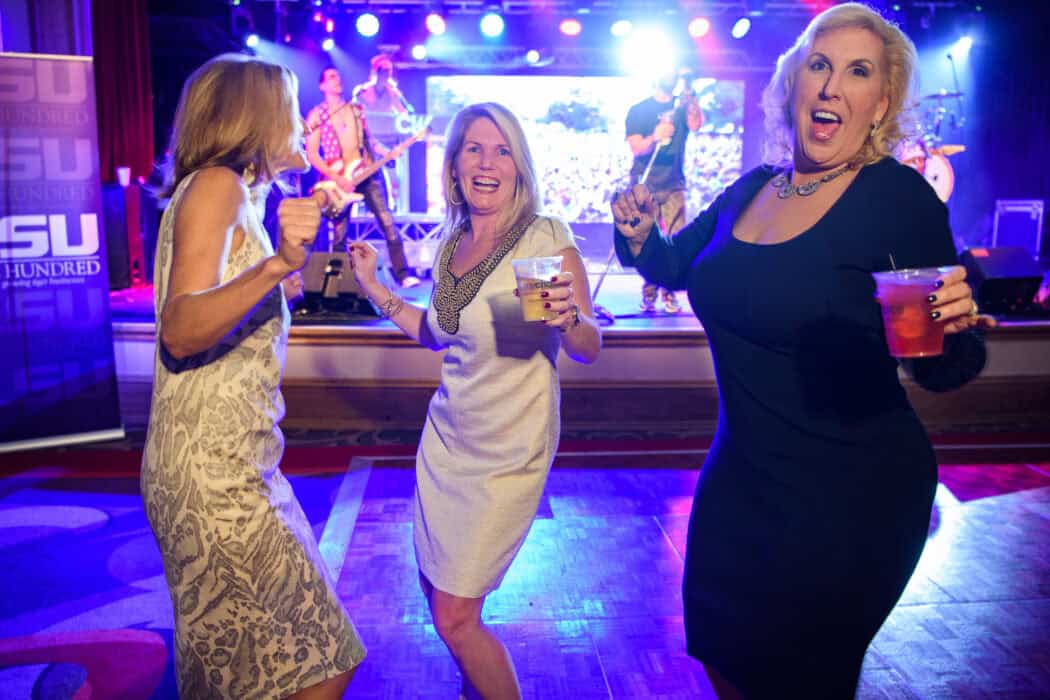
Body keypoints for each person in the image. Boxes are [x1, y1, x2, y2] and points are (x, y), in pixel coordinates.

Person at [611, 4, 996, 697]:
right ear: (792, 83)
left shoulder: (898, 198)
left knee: (803, 680)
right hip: (742, 482)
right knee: (725, 657)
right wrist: (638, 234)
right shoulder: (752, 188)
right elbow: (674, 267)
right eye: (819, 65)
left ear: (881, 102)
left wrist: (953, 327)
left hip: (853, 496)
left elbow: (943, 364)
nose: (831, 86)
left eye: (858, 72)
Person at [348, 102, 601, 699]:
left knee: (455, 619)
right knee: (440, 599)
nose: (487, 162)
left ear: (519, 166)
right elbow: (437, 334)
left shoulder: (543, 238)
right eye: (474, 149)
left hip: (507, 452)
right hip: (447, 444)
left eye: (502, 150)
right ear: (455, 165)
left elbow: (589, 345)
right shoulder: (452, 242)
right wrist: (377, 290)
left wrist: (569, 319)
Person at [141, 54, 365, 698]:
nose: (302, 125)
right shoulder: (218, 186)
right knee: (322, 660)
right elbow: (181, 328)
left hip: (233, 466)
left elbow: (222, 297)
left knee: (242, 677)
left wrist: (279, 263)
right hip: (216, 480)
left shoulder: (230, 191)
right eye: (291, 110)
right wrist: (274, 271)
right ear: (255, 116)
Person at [306, 66, 419, 287]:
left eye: (338, 76)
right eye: (331, 77)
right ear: (322, 86)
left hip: (366, 173)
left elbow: (369, 141)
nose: (337, 79)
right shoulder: (317, 115)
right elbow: (311, 154)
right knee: (340, 233)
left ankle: (403, 275)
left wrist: (387, 152)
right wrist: (336, 178)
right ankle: (336, 284)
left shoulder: (356, 109)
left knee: (387, 222)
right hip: (339, 179)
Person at [624, 68, 704, 314]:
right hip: (645, 184)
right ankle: (649, 294)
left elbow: (696, 123)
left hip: (673, 184)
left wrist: (690, 95)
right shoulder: (639, 110)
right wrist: (655, 137)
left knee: (673, 242)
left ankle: (669, 293)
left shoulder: (682, 108)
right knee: (647, 241)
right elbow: (636, 147)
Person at [352, 53, 413, 212]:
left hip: (388, 139)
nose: (387, 73)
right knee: (367, 175)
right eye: (383, 69)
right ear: (375, 71)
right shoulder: (363, 91)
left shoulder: (392, 92)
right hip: (368, 141)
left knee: (392, 176)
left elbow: (404, 112)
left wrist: (406, 118)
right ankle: (362, 208)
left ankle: (393, 207)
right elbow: (353, 113)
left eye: (389, 70)